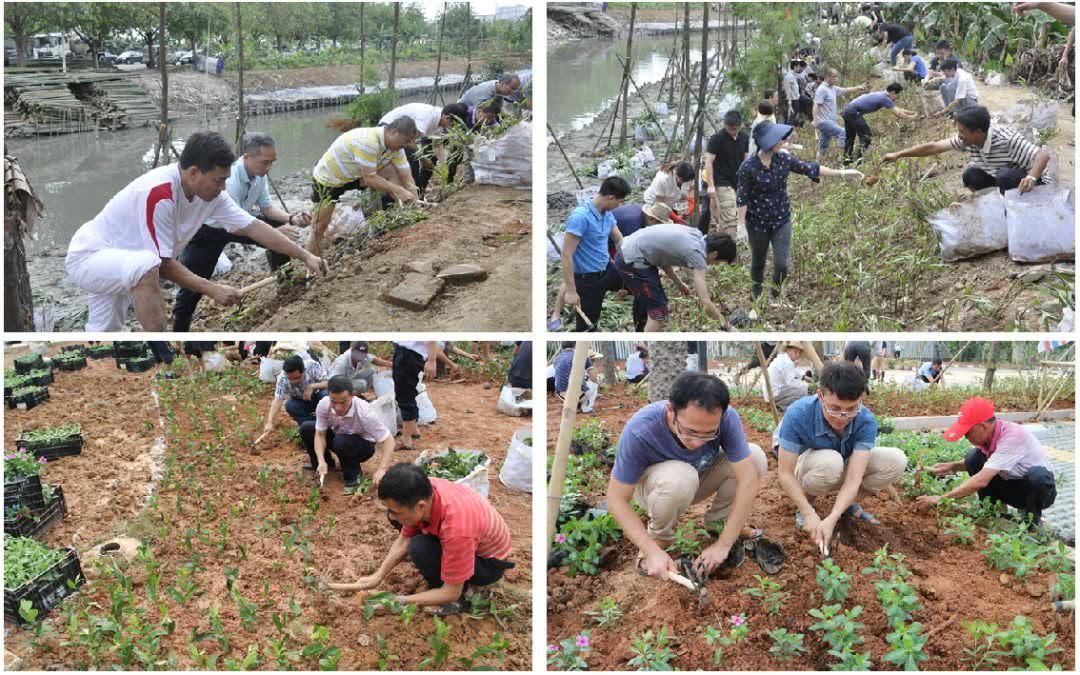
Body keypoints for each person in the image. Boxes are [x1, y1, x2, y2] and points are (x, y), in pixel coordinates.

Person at [65, 131, 324, 332]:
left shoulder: (211, 195)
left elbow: (255, 228)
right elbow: (162, 264)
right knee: (145, 266)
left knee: (105, 331)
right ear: (192, 172)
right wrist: (212, 288)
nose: (223, 188)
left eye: (225, 179)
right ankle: (164, 353)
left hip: (121, 260)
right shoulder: (160, 194)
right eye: (219, 180)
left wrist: (305, 256)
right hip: (92, 256)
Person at [607, 371, 768, 579]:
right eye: (690, 431)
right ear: (670, 410)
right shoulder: (641, 430)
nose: (699, 441)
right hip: (656, 489)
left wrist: (723, 545)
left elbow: (748, 479)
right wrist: (651, 550)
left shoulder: (727, 419)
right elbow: (616, 499)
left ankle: (720, 522)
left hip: (698, 478)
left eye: (709, 433)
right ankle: (659, 537)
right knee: (680, 476)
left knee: (754, 458)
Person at [171, 132, 313, 332]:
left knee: (280, 241)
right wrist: (275, 231)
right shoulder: (229, 180)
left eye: (272, 162)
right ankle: (179, 330)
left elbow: (267, 209)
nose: (269, 167)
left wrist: (291, 219)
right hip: (209, 231)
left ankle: (286, 285)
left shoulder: (259, 176)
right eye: (265, 162)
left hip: (241, 220)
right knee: (193, 284)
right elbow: (236, 225)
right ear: (247, 157)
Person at [337, 462, 514, 613]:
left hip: (489, 564)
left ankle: (461, 598)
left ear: (421, 506)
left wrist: (394, 600)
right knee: (412, 538)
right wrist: (378, 575)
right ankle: (448, 569)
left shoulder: (457, 528)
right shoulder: (425, 491)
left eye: (396, 511)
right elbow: (403, 540)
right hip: (467, 541)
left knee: (420, 548)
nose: (391, 516)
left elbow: (451, 591)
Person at [775, 362, 907, 549]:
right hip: (808, 469)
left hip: (842, 465)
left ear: (861, 399)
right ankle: (805, 505)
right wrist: (809, 513)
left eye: (852, 408)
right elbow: (785, 473)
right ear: (820, 396)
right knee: (831, 462)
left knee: (896, 460)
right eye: (835, 408)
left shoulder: (866, 420)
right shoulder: (798, 413)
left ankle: (845, 506)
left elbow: (854, 478)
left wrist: (832, 518)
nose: (843, 416)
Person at [737, 121, 864, 301]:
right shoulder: (748, 168)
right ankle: (757, 293)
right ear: (766, 142)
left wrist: (843, 173)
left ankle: (776, 294)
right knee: (758, 261)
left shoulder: (784, 159)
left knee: (782, 264)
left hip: (782, 219)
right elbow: (742, 197)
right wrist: (741, 225)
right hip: (757, 223)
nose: (782, 141)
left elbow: (811, 168)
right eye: (777, 139)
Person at [915, 398, 1057, 524]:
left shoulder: (1013, 437)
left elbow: (981, 480)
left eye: (967, 433)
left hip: (1033, 492)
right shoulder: (990, 436)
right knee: (973, 457)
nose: (965, 437)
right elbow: (987, 464)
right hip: (1012, 484)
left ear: (982, 426)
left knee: (1038, 476)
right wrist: (953, 466)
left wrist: (940, 499)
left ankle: (1031, 522)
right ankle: (993, 512)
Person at [308, 117, 420, 256]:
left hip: (355, 174)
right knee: (319, 226)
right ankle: (312, 265)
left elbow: (407, 177)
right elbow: (370, 179)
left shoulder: (396, 149)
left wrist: (416, 203)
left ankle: (407, 214)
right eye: (406, 140)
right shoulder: (368, 141)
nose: (408, 145)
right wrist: (400, 191)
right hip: (330, 180)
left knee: (393, 170)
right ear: (395, 133)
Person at [883, 106, 1052, 194]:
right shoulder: (968, 140)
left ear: (978, 132)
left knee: (1004, 175)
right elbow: (934, 147)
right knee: (971, 175)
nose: (959, 136)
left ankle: (1012, 209)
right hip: (1001, 175)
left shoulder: (1006, 139)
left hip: (1033, 181)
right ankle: (997, 197)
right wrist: (899, 154)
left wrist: (1031, 177)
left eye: (962, 132)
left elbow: (1043, 155)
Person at [614, 224, 736, 331]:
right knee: (659, 312)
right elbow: (704, 300)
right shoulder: (697, 254)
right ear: (715, 254)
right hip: (631, 259)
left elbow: (662, 255)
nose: (715, 265)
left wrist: (679, 283)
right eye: (718, 262)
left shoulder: (696, 235)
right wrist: (727, 326)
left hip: (629, 249)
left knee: (649, 302)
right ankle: (644, 347)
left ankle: (641, 332)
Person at [300, 375, 395, 495]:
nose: (338, 407)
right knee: (307, 428)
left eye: (343, 401)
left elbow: (388, 440)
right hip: (340, 437)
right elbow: (320, 434)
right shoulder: (324, 405)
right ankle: (324, 465)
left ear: (352, 395)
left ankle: (353, 476)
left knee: (341, 441)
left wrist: (382, 469)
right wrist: (321, 459)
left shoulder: (365, 413)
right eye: (333, 401)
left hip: (363, 446)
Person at [561, 176, 632, 331]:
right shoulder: (580, 217)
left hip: (607, 269)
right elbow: (566, 254)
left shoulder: (607, 214)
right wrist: (571, 292)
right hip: (588, 281)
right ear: (611, 197)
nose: (619, 205)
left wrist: (637, 261)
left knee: (638, 283)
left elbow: (619, 240)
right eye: (619, 202)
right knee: (587, 326)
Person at [379, 102, 467, 199]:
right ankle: (409, 201)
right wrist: (424, 160)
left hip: (403, 135)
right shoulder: (427, 117)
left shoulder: (440, 122)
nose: (452, 127)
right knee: (411, 164)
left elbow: (437, 145)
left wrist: (443, 166)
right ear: (447, 118)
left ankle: (414, 198)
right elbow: (409, 142)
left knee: (417, 162)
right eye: (452, 124)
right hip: (390, 130)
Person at [841, 83, 918, 163]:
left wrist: (912, 113)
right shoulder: (884, 98)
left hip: (847, 110)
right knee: (866, 137)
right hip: (853, 112)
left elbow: (898, 109)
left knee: (850, 137)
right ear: (893, 92)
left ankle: (846, 161)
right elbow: (898, 114)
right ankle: (858, 160)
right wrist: (912, 118)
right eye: (897, 95)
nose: (897, 98)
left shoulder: (882, 95)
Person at [704, 110, 750, 238]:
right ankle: (733, 249)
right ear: (725, 125)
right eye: (729, 129)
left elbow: (746, 160)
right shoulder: (716, 139)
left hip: (738, 180)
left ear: (740, 125)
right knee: (730, 218)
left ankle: (719, 248)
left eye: (735, 129)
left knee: (724, 221)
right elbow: (708, 162)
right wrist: (711, 185)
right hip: (722, 182)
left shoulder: (744, 138)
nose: (732, 132)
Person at [263, 354, 328, 439]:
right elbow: (277, 400)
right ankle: (313, 427)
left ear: (304, 370)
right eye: (290, 378)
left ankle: (329, 425)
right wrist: (270, 422)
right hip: (302, 402)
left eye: (297, 378)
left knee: (326, 395)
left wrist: (312, 386)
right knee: (290, 405)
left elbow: (328, 383)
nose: (293, 381)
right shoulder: (282, 378)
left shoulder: (312, 366)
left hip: (318, 397)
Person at [812, 68, 868, 162]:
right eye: (834, 77)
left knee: (823, 147)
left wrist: (858, 88)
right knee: (842, 132)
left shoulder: (832, 88)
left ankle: (816, 166)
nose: (836, 79)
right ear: (827, 77)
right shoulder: (822, 89)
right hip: (824, 121)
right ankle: (841, 160)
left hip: (830, 121)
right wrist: (814, 120)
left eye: (837, 77)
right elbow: (816, 104)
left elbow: (845, 90)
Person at [392, 341, 437, 451]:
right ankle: (413, 430)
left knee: (405, 395)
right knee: (405, 392)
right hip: (404, 351)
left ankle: (406, 439)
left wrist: (432, 360)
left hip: (410, 355)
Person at [552, 342, 599, 413]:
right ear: (576, 346)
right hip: (579, 395)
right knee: (594, 384)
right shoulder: (582, 356)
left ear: (562, 348)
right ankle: (586, 408)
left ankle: (574, 406)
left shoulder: (556, 359)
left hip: (562, 396)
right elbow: (594, 378)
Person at [764, 342, 810, 411]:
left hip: (770, 392)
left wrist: (803, 377)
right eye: (795, 352)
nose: (797, 354)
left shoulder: (783, 358)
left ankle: (778, 404)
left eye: (799, 353)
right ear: (788, 350)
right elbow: (791, 382)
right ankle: (780, 405)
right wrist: (807, 385)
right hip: (775, 393)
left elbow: (793, 372)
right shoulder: (787, 362)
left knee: (801, 389)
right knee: (803, 391)